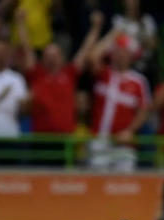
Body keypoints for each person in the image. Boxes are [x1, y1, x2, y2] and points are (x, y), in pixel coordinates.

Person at [19, 9, 102, 165]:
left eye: (55, 55)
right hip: (40, 142)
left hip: (65, 141)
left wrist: (95, 28)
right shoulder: (37, 75)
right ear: (42, 59)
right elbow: (26, 48)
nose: (51, 59)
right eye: (48, 56)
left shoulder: (69, 74)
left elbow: (84, 50)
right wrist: (21, 24)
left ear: (62, 58)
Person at [86, 31, 151, 172]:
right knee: (97, 182)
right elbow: (91, 57)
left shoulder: (139, 81)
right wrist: (112, 35)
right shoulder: (103, 74)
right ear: (112, 54)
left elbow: (143, 111)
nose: (121, 55)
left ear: (131, 56)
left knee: (124, 185)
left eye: (124, 53)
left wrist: (130, 132)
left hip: (124, 143)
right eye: (118, 52)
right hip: (99, 140)